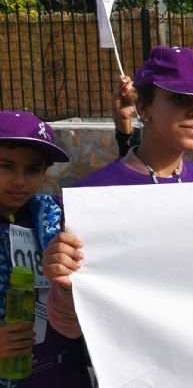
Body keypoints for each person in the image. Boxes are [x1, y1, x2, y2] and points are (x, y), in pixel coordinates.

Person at [42, 45, 193, 341]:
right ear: (143, 105)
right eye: (180, 97)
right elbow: (69, 328)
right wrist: (64, 284)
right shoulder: (93, 197)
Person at [0, 111, 91, 387]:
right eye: (6, 166)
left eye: (32, 169)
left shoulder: (60, 218)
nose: (19, 180)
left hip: (63, 372)